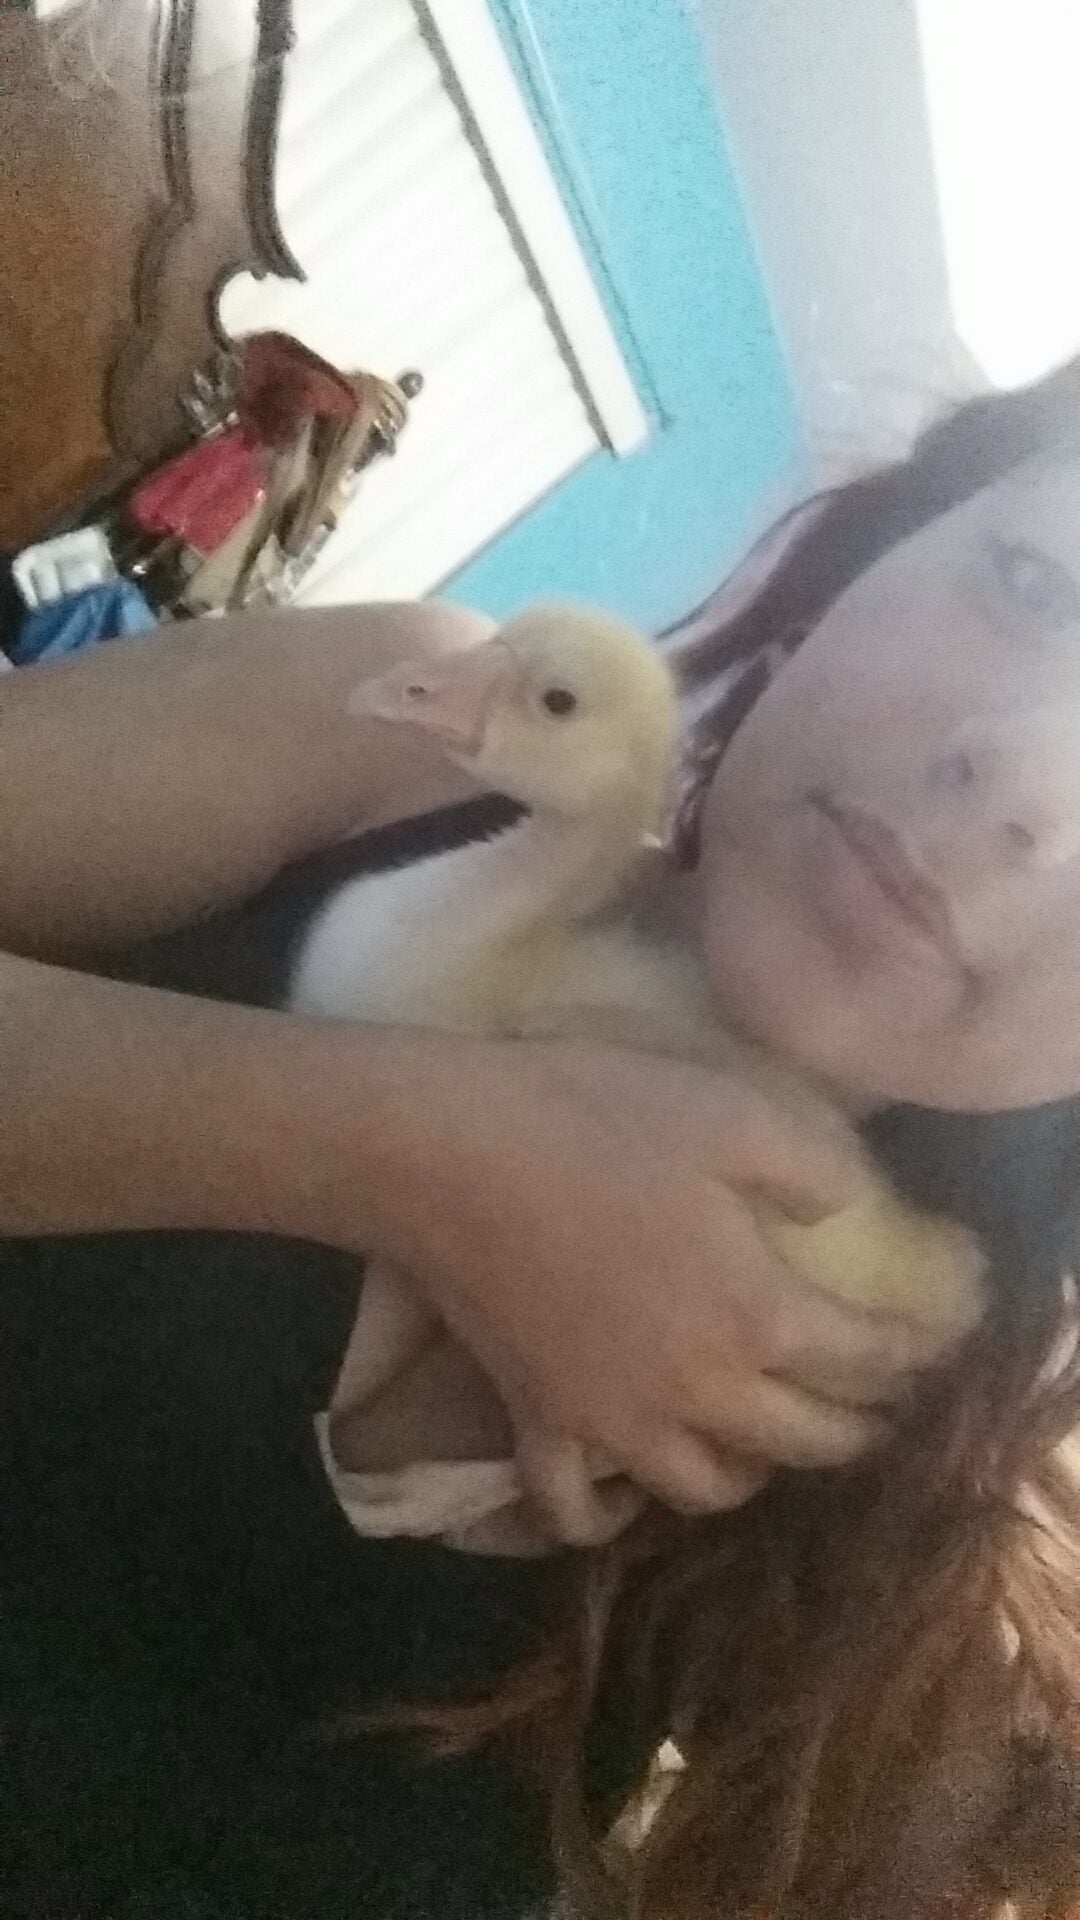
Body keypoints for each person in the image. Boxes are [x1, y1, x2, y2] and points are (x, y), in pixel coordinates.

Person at [5, 353, 1080, 1917]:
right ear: (880, 557)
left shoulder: (910, 1555)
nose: (1027, 776)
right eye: (1042, 586)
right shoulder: (411, 743)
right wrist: (425, 1153)